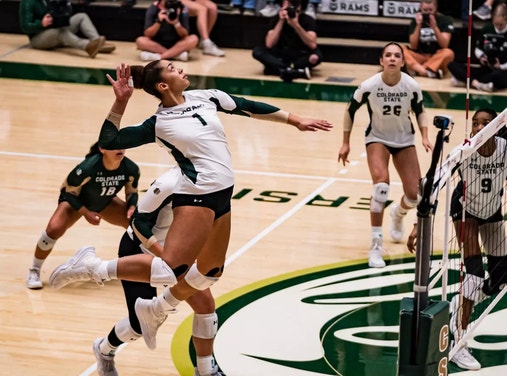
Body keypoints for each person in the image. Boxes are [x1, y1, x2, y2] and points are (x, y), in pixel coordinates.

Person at [49, 60, 331, 352]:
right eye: (173, 68)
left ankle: (158, 307)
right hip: (197, 193)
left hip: (222, 193)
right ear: (163, 85)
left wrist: (294, 119)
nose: (181, 68)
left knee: (210, 271)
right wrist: (121, 101)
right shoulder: (158, 123)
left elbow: (247, 105)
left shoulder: (207, 97)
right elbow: (109, 140)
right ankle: (93, 267)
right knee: (172, 267)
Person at [50, 167, 225, 376]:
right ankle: (105, 350)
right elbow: (138, 223)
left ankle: (205, 371)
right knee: (138, 327)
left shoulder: (211, 180)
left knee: (205, 306)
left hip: (176, 252)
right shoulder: (169, 183)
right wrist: (167, 258)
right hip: (139, 248)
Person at [408, 107, 507, 370]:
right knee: (473, 276)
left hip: (493, 212)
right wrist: (419, 224)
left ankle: (462, 302)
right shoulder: (463, 151)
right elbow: (434, 185)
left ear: (496, 126)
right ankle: (460, 340)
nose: (480, 127)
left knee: (500, 281)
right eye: (475, 123)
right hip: (464, 211)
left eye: (486, 122)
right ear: (471, 128)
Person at [337, 42, 433, 268]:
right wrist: (345, 142)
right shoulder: (369, 85)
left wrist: (425, 136)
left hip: (404, 140)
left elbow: (420, 111)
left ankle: (397, 213)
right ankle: (376, 245)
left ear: (402, 61)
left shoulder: (411, 85)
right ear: (381, 61)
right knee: (381, 187)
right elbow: (349, 110)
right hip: (377, 138)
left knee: (414, 196)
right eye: (387, 55)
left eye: (396, 56)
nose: (392, 59)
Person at [26, 143, 140, 289]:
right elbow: (66, 191)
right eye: (114, 146)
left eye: (122, 145)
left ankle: (142, 266)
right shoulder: (87, 168)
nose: (120, 149)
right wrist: (86, 212)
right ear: (102, 149)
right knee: (54, 229)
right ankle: (34, 270)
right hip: (77, 201)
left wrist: (131, 207)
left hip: (104, 200)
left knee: (138, 224)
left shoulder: (131, 168)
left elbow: (132, 191)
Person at [448, 3, 507, 92]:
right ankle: (477, 84)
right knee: (452, 65)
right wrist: (481, 56)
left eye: (501, 24)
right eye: (496, 24)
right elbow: (478, 49)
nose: (498, 27)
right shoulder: (487, 29)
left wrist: (501, 66)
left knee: (498, 77)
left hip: (502, 71)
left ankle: (466, 82)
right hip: (485, 69)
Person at [252, 0, 322, 82]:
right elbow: (269, 44)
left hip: (299, 55)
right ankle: (295, 71)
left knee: (315, 57)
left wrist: (296, 25)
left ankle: (277, 69)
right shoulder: (276, 19)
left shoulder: (308, 20)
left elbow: (312, 44)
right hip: (280, 55)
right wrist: (281, 22)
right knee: (257, 51)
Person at [18, 0, 114, 58]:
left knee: (81, 16)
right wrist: (41, 23)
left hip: (54, 29)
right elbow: (25, 27)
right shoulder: (27, 2)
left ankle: (96, 42)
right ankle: (88, 47)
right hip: (37, 38)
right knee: (61, 32)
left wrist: (63, 12)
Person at [403, 0, 455, 79]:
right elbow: (413, 46)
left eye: (430, 10)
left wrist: (435, 27)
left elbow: (444, 44)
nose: (428, 13)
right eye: (425, 10)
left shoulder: (445, 20)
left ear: (436, 8)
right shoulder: (415, 21)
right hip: (420, 56)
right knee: (400, 49)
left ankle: (419, 70)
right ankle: (425, 71)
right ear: (420, 8)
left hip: (437, 57)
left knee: (449, 53)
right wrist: (418, 26)